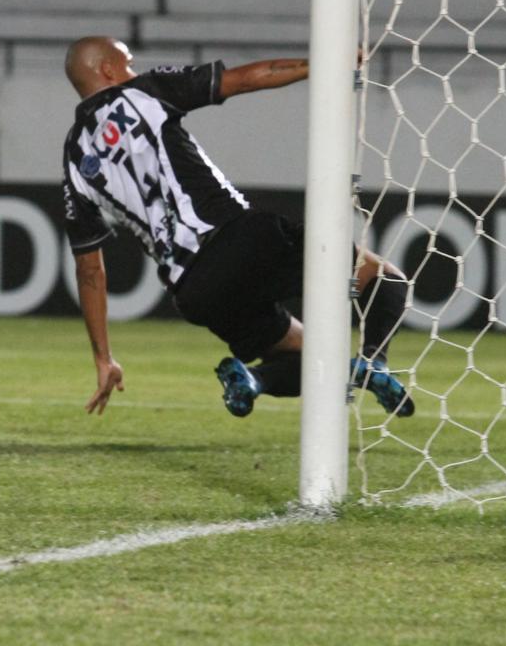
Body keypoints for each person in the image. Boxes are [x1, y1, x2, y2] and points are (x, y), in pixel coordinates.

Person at [61, 36, 414, 419]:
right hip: (236, 239)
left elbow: (90, 270)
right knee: (385, 278)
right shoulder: (141, 93)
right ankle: (375, 362)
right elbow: (243, 79)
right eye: (127, 62)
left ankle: (252, 379)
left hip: (192, 290)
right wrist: (320, 65)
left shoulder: (74, 157)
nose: (133, 69)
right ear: (108, 70)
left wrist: (104, 357)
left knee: (309, 356)